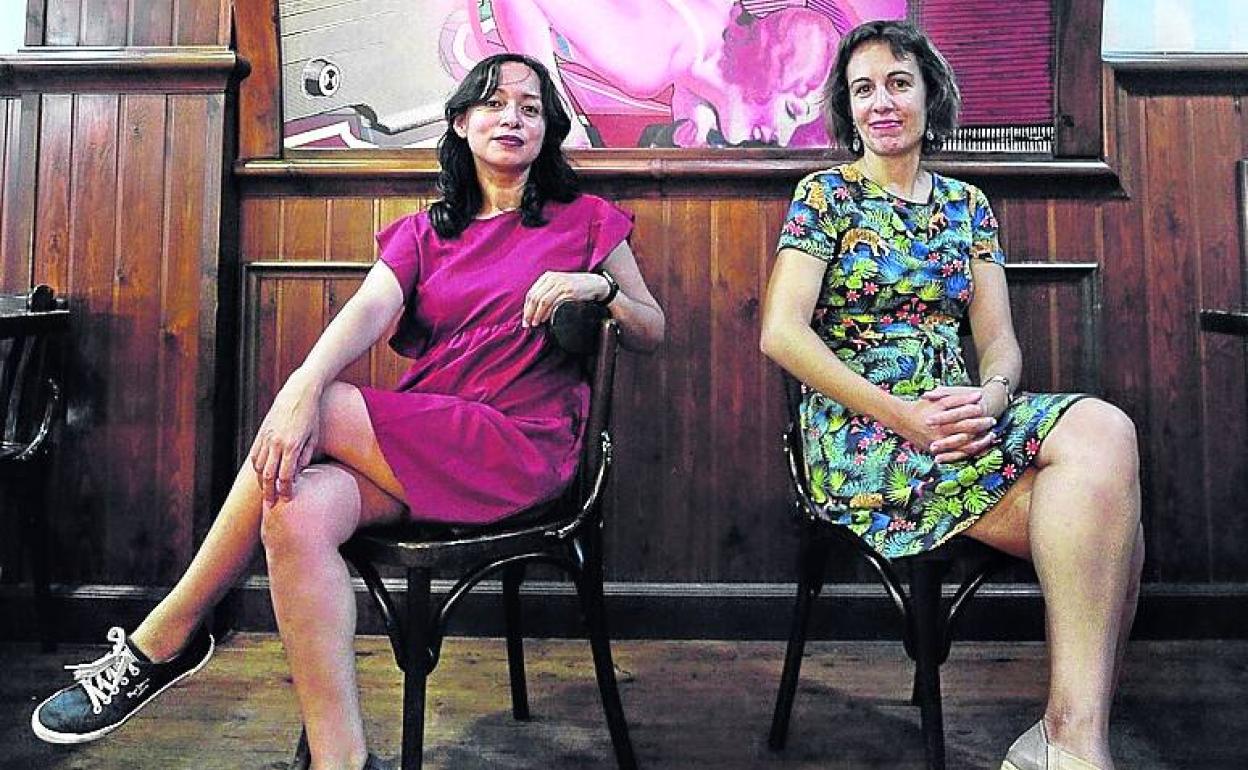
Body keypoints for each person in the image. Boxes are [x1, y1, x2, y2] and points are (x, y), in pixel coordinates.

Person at [31, 52, 665, 770]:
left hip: (521, 448)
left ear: (549, 128)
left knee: (324, 402)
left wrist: (598, 289)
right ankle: (344, 761)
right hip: (426, 447)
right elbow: (366, 311)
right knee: (293, 508)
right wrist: (301, 387)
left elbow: (652, 329)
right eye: (493, 103)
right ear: (461, 123)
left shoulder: (584, 222)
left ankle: (164, 639)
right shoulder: (425, 233)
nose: (512, 118)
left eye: (530, 107)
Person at [759, 21, 1143, 770]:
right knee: (1110, 512)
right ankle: (1069, 741)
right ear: (847, 108)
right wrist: (904, 417)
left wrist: (992, 397)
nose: (881, 102)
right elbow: (781, 333)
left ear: (930, 96)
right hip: (863, 431)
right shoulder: (825, 197)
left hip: (961, 417)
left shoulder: (968, 205)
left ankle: (1068, 735)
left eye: (898, 83)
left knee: (1105, 431)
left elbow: (1000, 342)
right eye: (863, 89)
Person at [472, 0, 904, 148]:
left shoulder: (719, 19)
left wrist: (697, 106)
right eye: (792, 112)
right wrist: (555, 116)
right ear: (768, 74)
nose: (782, 136)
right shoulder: (647, 63)